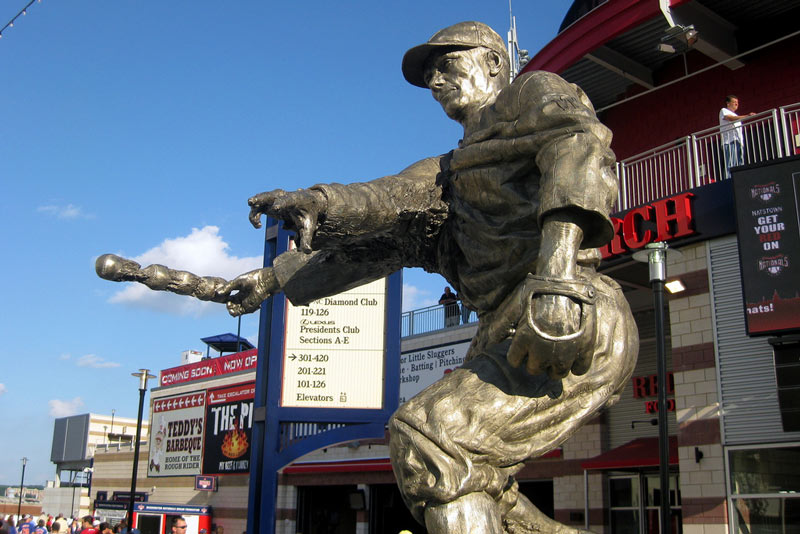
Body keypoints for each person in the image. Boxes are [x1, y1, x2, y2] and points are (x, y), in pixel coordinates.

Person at [96, 21, 636, 534]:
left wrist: (557, 278)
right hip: (506, 330)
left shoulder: (530, 96)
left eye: (447, 65)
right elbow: (383, 212)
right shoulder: (447, 177)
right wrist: (283, 260)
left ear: (495, 63)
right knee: (470, 482)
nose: (436, 82)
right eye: (429, 77)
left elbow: (579, 144)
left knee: (432, 439)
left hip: (570, 313)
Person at [719, 94, 755, 178]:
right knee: (730, 164)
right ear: (728, 103)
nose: (736, 104)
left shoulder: (736, 115)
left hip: (738, 142)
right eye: (734, 102)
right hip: (729, 142)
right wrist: (747, 116)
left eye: (737, 102)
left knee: (739, 164)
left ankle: (739, 179)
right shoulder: (724, 110)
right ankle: (729, 181)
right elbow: (730, 118)